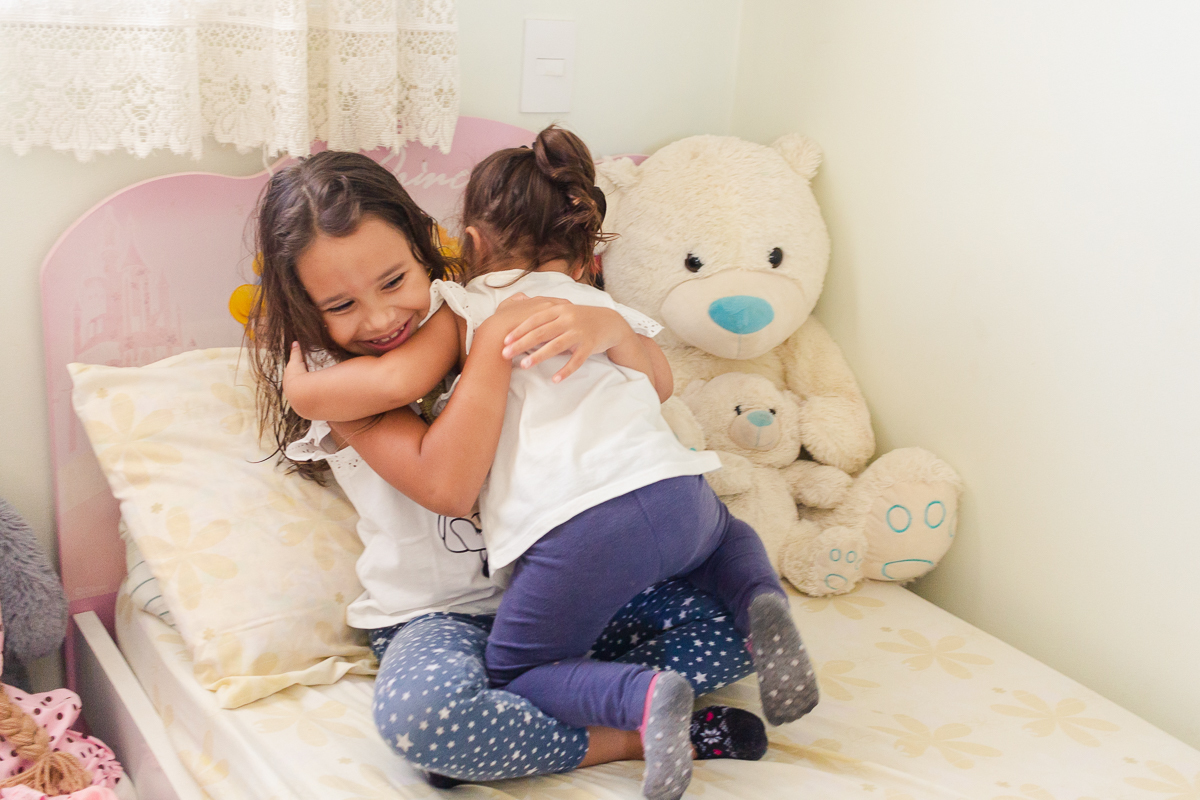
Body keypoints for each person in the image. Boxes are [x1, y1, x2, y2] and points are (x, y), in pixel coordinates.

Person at [283, 128, 820, 800]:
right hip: (443, 616)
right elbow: (441, 470)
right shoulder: (356, 382)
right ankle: (645, 727)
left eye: (393, 279)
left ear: (438, 246)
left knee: (731, 629)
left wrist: (610, 330)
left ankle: (579, 709)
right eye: (340, 306)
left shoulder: (480, 307)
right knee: (426, 720)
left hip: (569, 586)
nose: (381, 316)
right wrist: (308, 391)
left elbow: (653, 379)